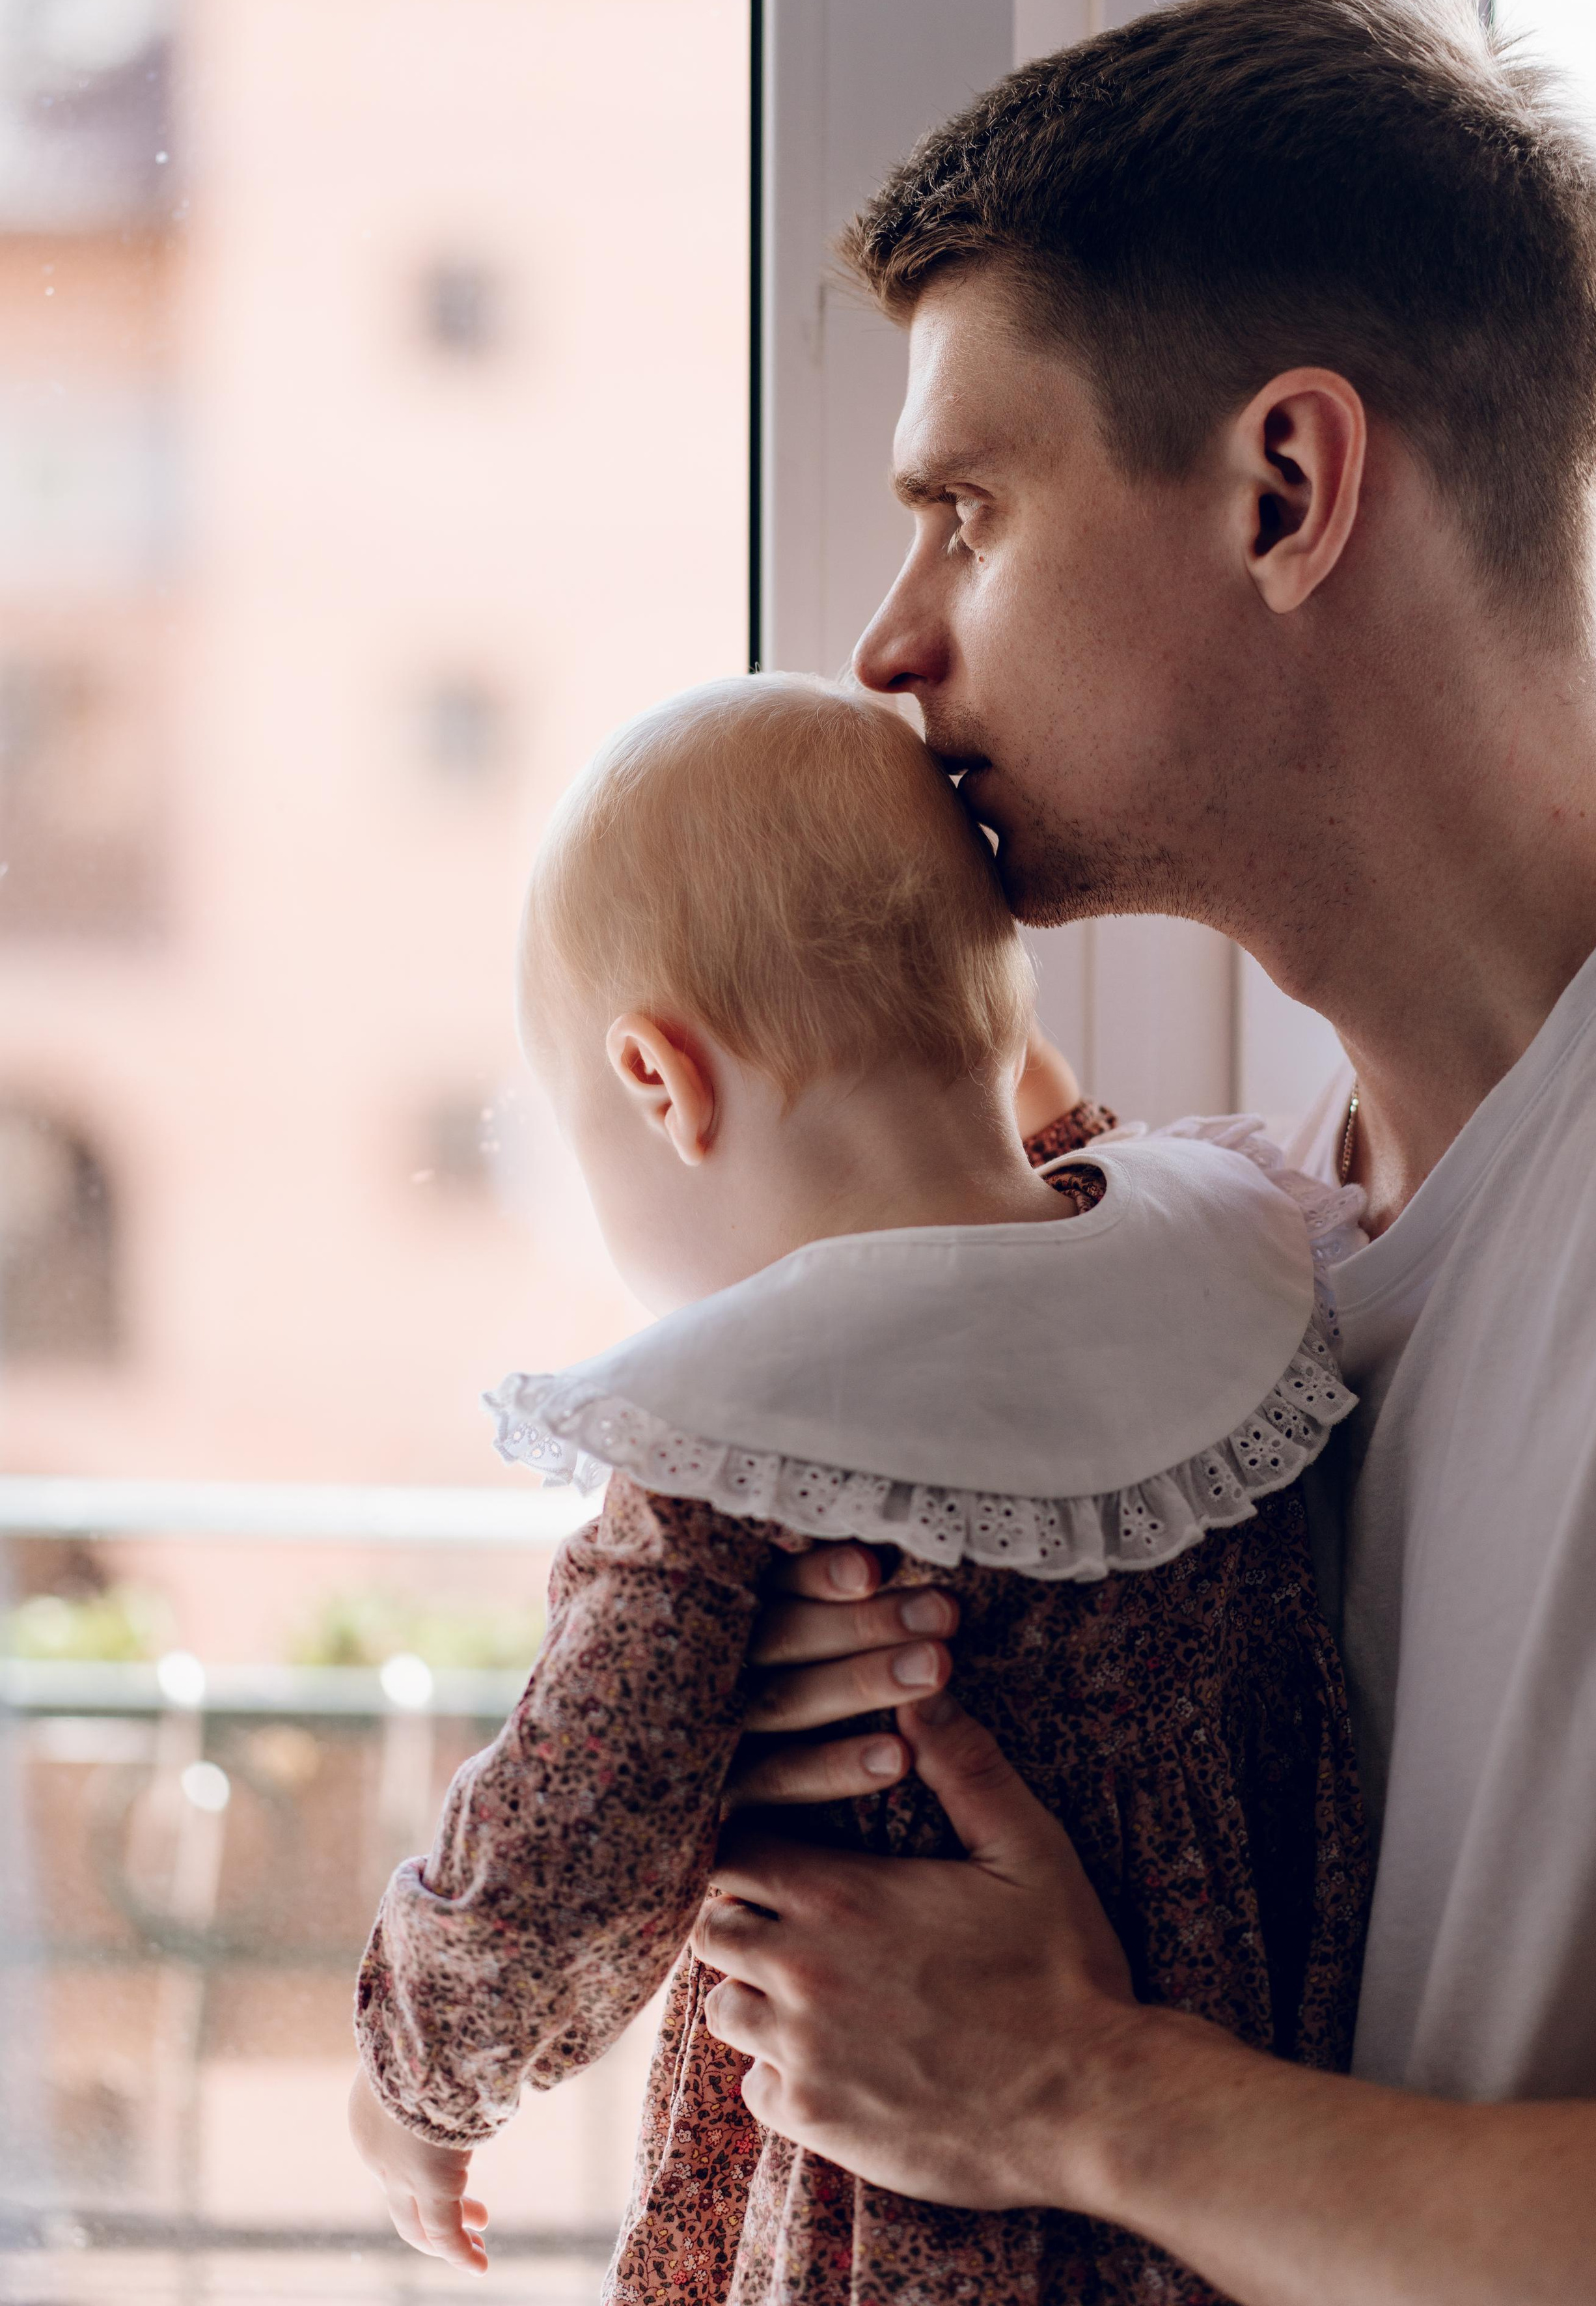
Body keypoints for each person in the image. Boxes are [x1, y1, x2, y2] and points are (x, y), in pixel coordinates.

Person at [685, 0, 1596, 2303]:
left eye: (965, 510)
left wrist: (1059, 2086)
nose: (887, 643)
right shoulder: (1246, 1254)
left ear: (1283, 486)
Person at [346, 673, 1370, 2301]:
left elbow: (569, 1827)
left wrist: (416, 2076)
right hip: (1252, 2184)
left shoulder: (729, 1444)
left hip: (909, 2210)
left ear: (659, 1081)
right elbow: (1061, 1183)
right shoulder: (1215, 1251)